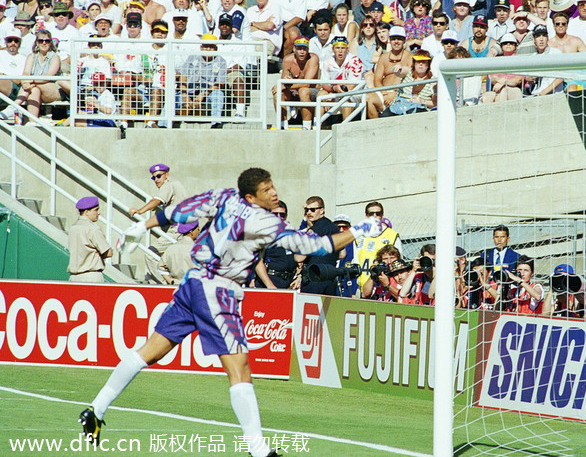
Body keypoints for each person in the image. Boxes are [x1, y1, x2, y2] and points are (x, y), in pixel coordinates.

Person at [80, 167, 382, 456]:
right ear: (251, 197)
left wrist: (141, 225)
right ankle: (259, 450)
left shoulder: (224, 196)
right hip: (218, 291)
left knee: (152, 351)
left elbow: (182, 210)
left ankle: (96, 408)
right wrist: (360, 230)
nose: (274, 193)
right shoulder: (265, 223)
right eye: (266, 190)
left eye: (272, 185)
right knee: (240, 370)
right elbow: (313, 245)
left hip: (193, 283)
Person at [128, 163, 188, 283]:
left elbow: (157, 200)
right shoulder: (176, 185)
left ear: (167, 175)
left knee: (151, 254)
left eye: (159, 176)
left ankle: (164, 284)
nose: (156, 180)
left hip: (178, 229)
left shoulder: (169, 184)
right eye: (153, 177)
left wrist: (140, 211)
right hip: (185, 229)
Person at [67, 196, 112, 283]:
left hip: (74, 278)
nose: (99, 213)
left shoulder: (73, 228)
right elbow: (108, 252)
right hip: (91, 277)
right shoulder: (92, 228)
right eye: (96, 210)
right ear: (87, 212)